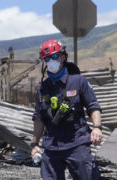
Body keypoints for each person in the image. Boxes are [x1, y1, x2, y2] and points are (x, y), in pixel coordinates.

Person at [31, 40, 103, 180]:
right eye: (46, 59)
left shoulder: (78, 81)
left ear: (63, 56)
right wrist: (34, 144)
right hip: (52, 146)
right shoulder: (42, 88)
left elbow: (93, 106)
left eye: (54, 57)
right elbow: (39, 117)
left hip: (77, 144)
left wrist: (97, 128)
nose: (50, 61)